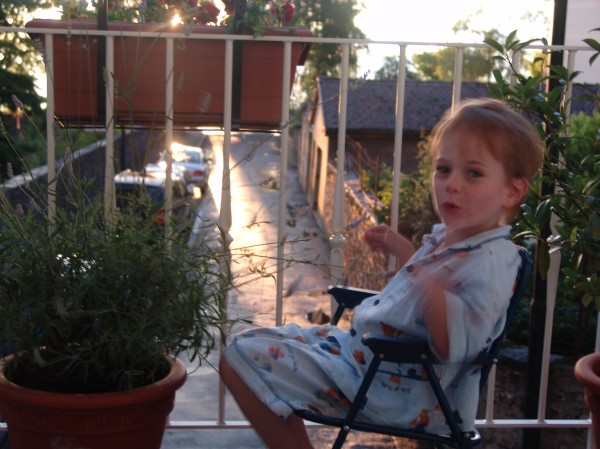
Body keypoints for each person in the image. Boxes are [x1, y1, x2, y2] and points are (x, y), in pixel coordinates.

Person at [219, 97, 545, 449]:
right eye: (443, 169)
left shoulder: (491, 262)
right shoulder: (453, 241)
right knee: (253, 343)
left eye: (474, 173)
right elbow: (422, 285)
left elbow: (453, 344)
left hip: (389, 386)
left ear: (513, 191)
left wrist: (428, 280)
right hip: (362, 358)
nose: (452, 184)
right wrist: (403, 248)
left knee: (239, 360)